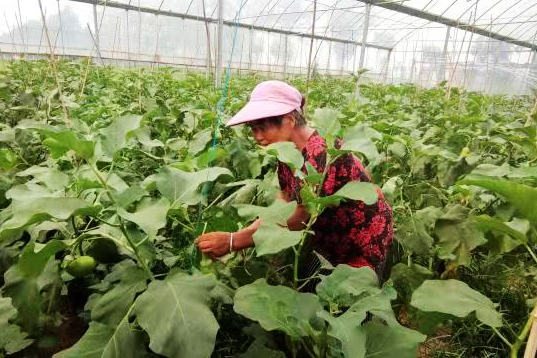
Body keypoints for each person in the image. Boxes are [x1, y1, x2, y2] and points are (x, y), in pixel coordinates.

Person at [196, 80, 393, 278]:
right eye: (253, 129)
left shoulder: (319, 153)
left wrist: (235, 241)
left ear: (289, 121)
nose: (257, 136)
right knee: (318, 287)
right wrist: (249, 232)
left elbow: (299, 217)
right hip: (329, 234)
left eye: (262, 127)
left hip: (362, 238)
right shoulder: (288, 151)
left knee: (351, 300)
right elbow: (285, 203)